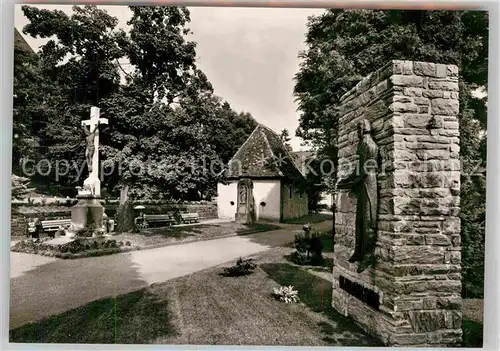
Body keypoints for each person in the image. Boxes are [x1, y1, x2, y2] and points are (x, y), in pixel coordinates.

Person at [337, 119, 379, 273]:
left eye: (358, 129)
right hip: (362, 185)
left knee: (369, 221)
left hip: (369, 184)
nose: (357, 132)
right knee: (359, 221)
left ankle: (367, 256)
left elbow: (364, 170)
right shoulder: (363, 144)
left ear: (363, 129)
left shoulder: (369, 145)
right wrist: (346, 180)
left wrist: (348, 182)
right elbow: (358, 169)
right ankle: (358, 251)